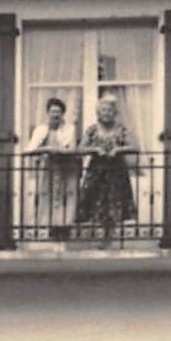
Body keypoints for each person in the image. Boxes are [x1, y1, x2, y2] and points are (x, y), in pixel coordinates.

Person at [77, 91, 138, 233]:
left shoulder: (121, 130)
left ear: (115, 113)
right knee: (94, 205)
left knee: (116, 204)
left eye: (110, 110)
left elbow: (135, 147)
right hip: (96, 171)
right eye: (103, 110)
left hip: (116, 171)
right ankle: (95, 237)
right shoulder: (92, 130)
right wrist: (95, 149)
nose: (106, 113)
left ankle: (113, 237)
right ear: (98, 113)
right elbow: (80, 149)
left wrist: (118, 150)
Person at [25, 96, 79, 237]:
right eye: (52, 111)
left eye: (58, 112)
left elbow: (72, 148)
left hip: (66, 166)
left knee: (66, 195)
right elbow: (30, 150)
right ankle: (49, 227)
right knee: (47, 195)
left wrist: (60, 149)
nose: (55, 114)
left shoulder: (69, 129)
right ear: (48, 113)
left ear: (63, 114)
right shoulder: (41, 129)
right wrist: (46, 148)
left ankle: (64, 226)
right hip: (48, 166)